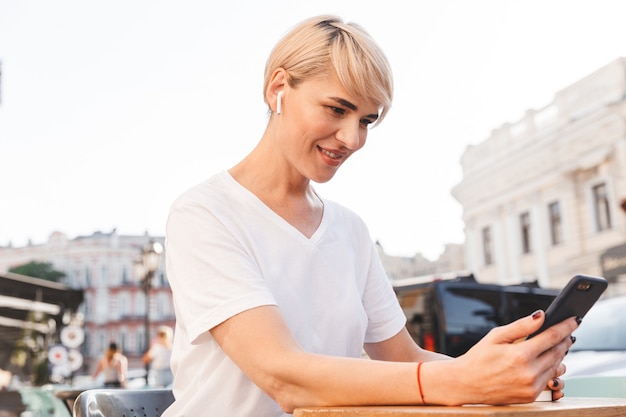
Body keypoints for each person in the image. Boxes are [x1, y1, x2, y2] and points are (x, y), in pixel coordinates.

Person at [163, 15, 578, 417]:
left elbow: (402, 358)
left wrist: (503, 374)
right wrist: (465, 380)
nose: (352, 138)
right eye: (336, 109)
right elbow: (283, 377)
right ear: (279, 88)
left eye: (366, 120)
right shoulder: (205, 214)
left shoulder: (349, 230)